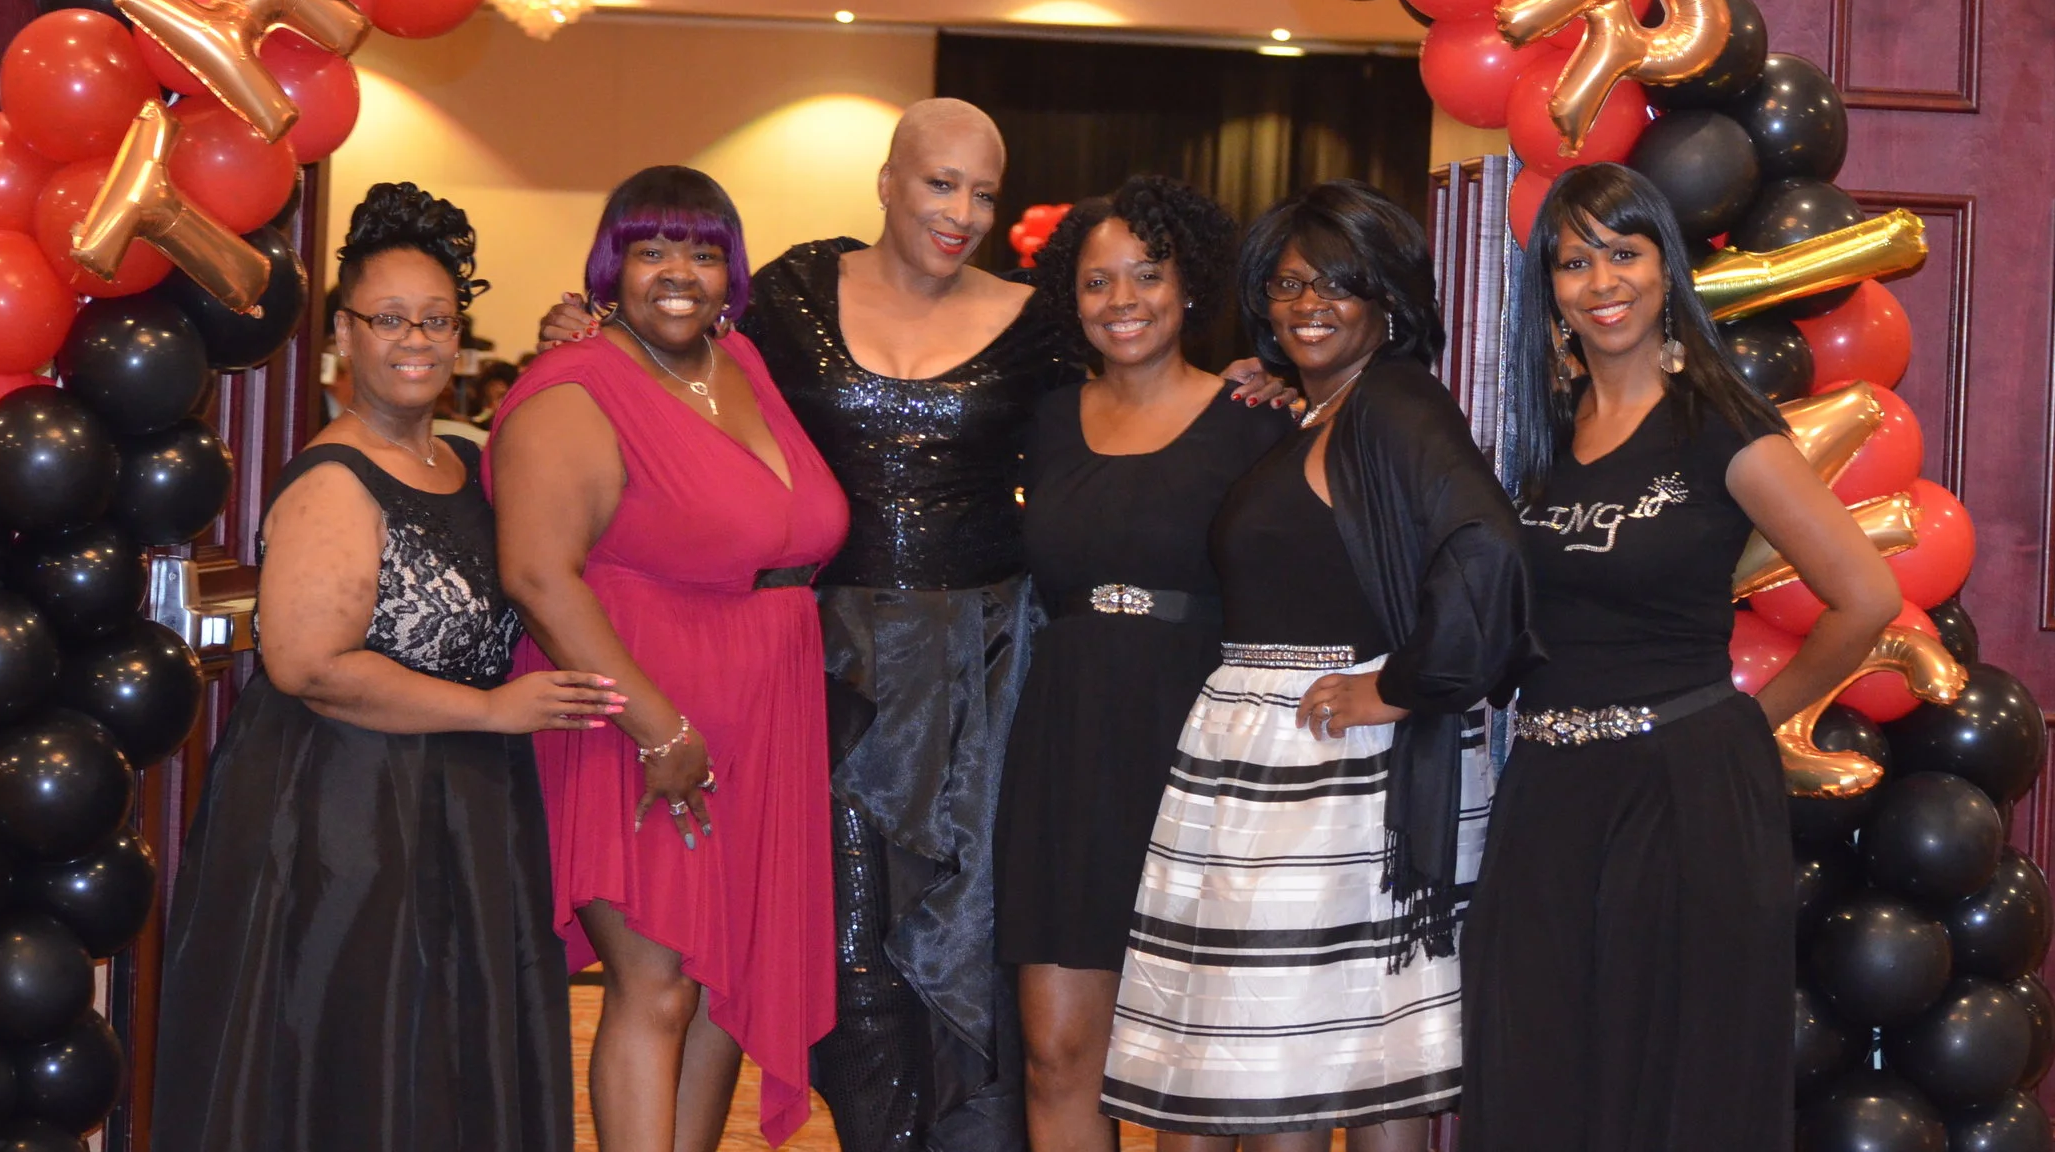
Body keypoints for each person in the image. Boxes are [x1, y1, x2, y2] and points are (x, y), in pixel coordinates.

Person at [537, 102, 1285, 1152]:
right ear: (886, 182)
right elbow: (684, 361)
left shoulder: (1040, 320)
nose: (962, 212)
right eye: (941, 183)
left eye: (983, 192)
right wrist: (592, 332)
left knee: (978, 944)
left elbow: (1140, 393)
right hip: (824, 671)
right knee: (850, 953)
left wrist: (1259, 374)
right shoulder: (792, 293)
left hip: (988, 672)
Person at [153, 183, 612, 1152]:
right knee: (362, 1063)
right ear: (343, 336)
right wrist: (493, 712)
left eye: (436, 321)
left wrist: (580, 358)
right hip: (342, 820)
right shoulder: (334, 476)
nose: (416, 341)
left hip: (463, 809)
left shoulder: (467, 461)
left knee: (444, 1063)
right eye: (389, 319)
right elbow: (309, 665)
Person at [1458, 163, 1904, 1152]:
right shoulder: (1545, 436)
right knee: (1537, 1059)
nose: (1600, 281)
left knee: (1664, 1081)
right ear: (1549, 289)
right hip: (1548, 792)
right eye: (1573, 262)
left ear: (1665, 269)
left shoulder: (1719, 425)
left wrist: (1753, 717)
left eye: (1623, 253)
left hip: (1679, 793)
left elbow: (1866, 595)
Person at [1104, 180, 1536, 1149]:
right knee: (1351, 1071)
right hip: (1289, 777)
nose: (1309, 305)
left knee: (1287, 1086)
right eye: (1289, 284)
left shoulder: (1395, 403)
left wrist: (1399, 687)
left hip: (1330, 780)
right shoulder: (1336, 406)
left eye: (1339, 283)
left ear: (1388, 297)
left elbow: (1490, 555)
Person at [489, 166, 850, 1152]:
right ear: (611, 267)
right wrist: (659, 728)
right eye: (651, 250)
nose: (678, 273)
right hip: (637, 712)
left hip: (760, 715)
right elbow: (536, 574)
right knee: (654, 988)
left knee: (720, 986)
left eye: (703, 252)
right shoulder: (573, 386)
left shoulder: (740, 363)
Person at [993, 178, 1293, 1152]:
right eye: (1098, 282)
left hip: (1198, 744)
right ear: (1069, 299)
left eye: (1147, 275)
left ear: (1189, 285)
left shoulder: (1255, 417)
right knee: (1056, 1050)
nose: (1122, 299)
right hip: (1065, 741)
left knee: (1187, 1065)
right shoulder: (1041, 421)